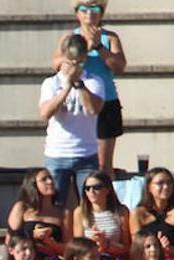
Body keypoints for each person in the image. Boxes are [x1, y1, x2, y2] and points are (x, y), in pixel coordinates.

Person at [49, 0, 125, 171]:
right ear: (77, 13)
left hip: (105, 100)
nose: (89, 13)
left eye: (95, 9)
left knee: (103, 165)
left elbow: (120, 66)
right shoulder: (69, 38)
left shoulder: (110, 37)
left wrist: (98, 47)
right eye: (84, 9)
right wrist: (79, 52)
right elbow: (55, 63)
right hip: (76, 100)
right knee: (78, 159)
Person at [39, 33, 104, 207]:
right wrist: (67, 86)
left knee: (89, 206)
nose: (74, 67)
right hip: (57, 155)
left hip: (87, 155)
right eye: (70, 62)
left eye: (79, 63)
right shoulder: (51, 83)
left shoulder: (94, 81)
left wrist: (79, 85)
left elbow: (94, 109)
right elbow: (45, 113)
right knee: (54, 205)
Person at [72, 170, 132, 260]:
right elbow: (77, 247)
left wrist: (106, 244)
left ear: (107, 189)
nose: (91, 191)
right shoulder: (80, 212)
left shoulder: (121, 212)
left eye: (97, 187)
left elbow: (127, 248)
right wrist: (92, 243)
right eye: (87, 188)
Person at [6, 168, 71, 260]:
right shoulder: (22, 208)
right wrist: (32, 236)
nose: (50, 182)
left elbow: (68, 249)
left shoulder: (63, 212)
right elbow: (10, 240)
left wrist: (48, 241)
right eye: (44, 179)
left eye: (50, 178)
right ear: (33, 185)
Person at [129, 167, 174, 260]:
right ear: (149, 187)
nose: (166, 187)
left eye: (169, 183)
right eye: (160, 183)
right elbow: (137, 247)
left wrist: (166, 249)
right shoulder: (138, 214)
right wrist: (155, 248)